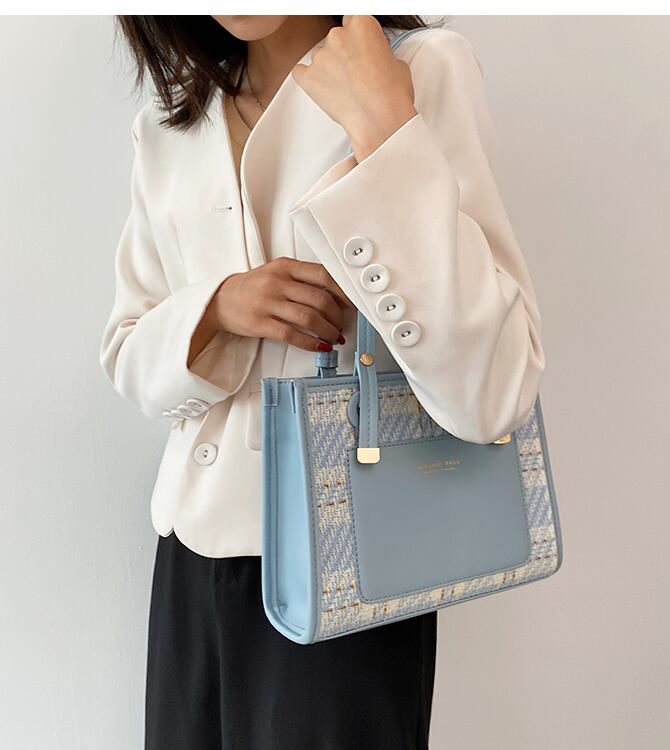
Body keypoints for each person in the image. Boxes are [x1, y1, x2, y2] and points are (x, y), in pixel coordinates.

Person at [100, 14, 545, 750]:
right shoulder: (170, 119)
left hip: (349, 554)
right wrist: (218, 308)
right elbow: (126, 352)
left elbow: (494, 389)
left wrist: (386, 128)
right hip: (189, 558)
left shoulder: (420, 69)